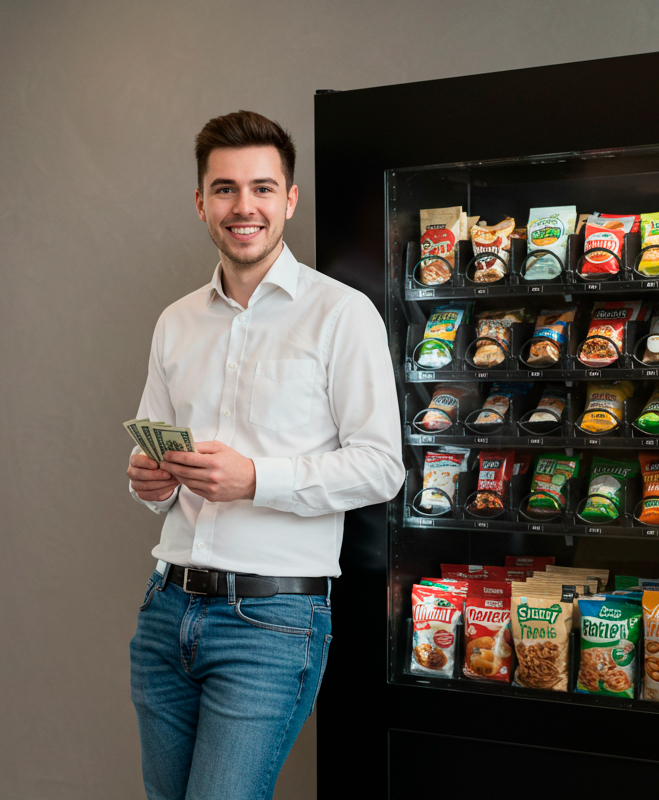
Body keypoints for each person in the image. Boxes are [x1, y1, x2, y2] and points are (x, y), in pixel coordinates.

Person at [127, 110, 404, 800]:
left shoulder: (342, 315)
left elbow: (381, 467)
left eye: (261, 188)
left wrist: (255, 479)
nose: (242, 206)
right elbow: (158, 459)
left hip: (272, 623)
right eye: (224, 189)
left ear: (290, 199)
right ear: (201, 203)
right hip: (166, 609)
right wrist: (151, 481)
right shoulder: (175, 321)